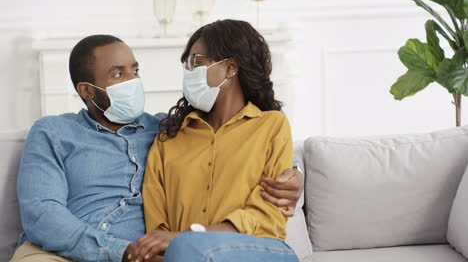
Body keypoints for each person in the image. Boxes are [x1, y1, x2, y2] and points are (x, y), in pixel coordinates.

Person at [10, 34, 303, 262]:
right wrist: (118, 251)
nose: (133, 80)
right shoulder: (53, 132)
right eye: (118, 74)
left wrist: (294, 175)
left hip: (144, 255)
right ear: (87, 91)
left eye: (135, 70)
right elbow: (42, 214)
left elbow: (228, 142)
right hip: (58, 252)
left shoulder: (168, 130)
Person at [130, 20, 299, 262]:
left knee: (187, 248)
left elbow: (269, 216)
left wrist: (191, 236)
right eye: (187, 66)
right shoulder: (169, 139)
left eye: (196, 63)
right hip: (184, 255)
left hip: (260, 250)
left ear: (230, 67)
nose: (189, 73)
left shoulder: (271, 126)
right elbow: (157, 229)